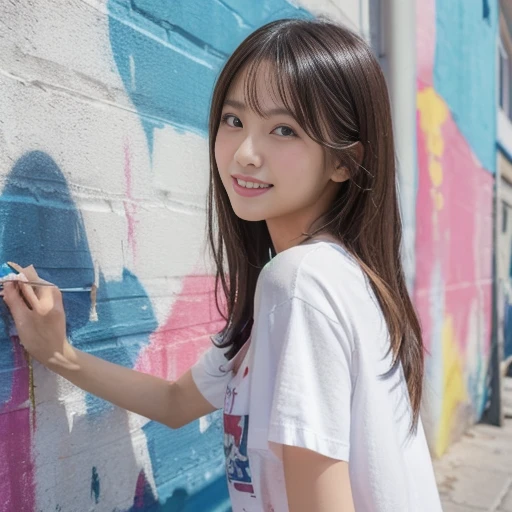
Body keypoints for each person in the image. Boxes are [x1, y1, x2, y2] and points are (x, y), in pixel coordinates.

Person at [1, 18, 443, 512]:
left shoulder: (302, 282)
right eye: (234, 121)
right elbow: (174, 403)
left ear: (345, 162)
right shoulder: (335, 279)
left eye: (283, 129)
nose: (245, 154)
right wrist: (58, 352)